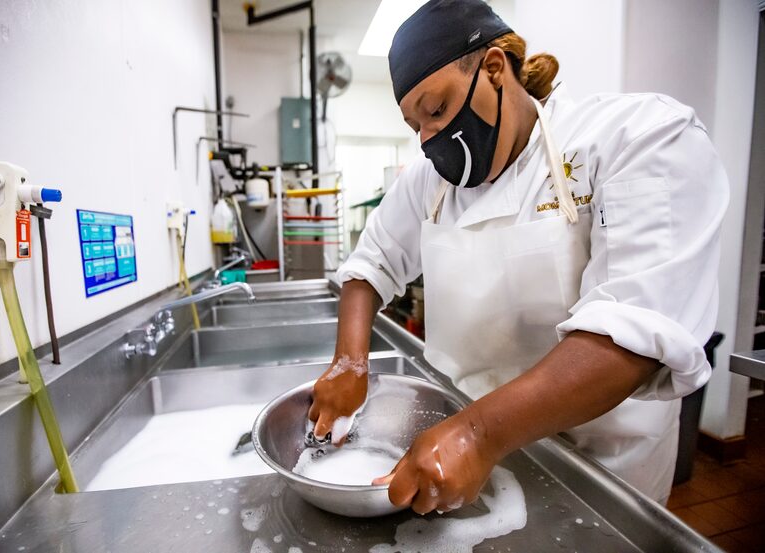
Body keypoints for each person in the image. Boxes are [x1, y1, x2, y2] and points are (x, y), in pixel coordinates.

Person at [308, 0, 728, 514]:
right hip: (459, 466)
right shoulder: (430, 183)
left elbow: (636, 331)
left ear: (493, 68)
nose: (429, 140)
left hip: (600, 478)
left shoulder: (637, 136)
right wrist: (349, 361)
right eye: (415, 124)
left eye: (437, 110)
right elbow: (370, 265)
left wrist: (477, 433)